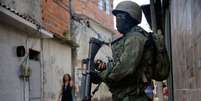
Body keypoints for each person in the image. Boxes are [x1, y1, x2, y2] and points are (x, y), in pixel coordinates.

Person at [95, 1, 154, 101]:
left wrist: (101, 76)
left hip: (133, 97)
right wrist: (104, 67)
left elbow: (124, 68)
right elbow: (120, 63)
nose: (117, 20)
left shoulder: (135, 38)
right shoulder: (128, 38)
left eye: (119, 16)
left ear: (130, 18)